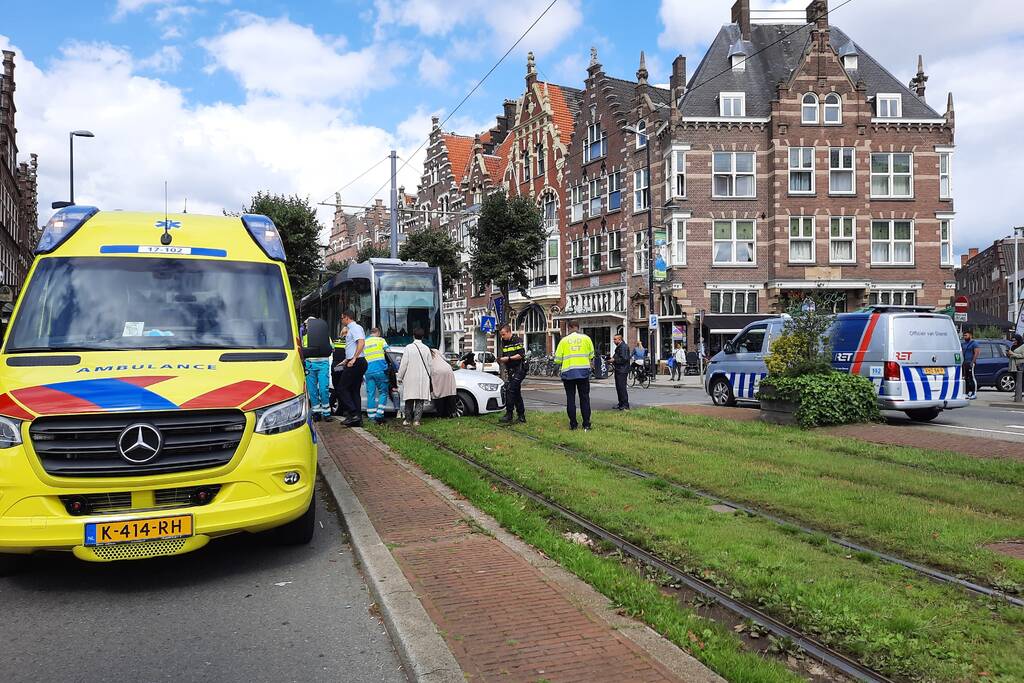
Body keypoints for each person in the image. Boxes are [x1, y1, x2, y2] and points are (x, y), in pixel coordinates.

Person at [554, 320, 595, 431]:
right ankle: (586, 423)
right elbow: (591, 355)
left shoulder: (564, 341)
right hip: (583, 373)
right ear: (578, 327)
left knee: (570, 399)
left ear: (570, 327)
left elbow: (557, 360)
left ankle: (573, 424)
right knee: (585, 398)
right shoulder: (586, 339)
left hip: (568, 373)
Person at [397, 328, 432, 426]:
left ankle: (407, 420)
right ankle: (416, 420)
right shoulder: (426, 348)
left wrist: (400, 377)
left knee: (409, 399)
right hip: (422, 378)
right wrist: (428, 376)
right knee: (420, 400)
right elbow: (430, 365)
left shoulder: (409, 347)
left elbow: (404, 364)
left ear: (413, 336)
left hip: (410, 377)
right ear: (423, 337)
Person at [337, 310, 367, 426]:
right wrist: (346, 359)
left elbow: (361, 342)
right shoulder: (352, 328)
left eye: (342, 318)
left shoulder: (355, 328)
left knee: (341, 388)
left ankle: (353, 413)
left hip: (356, 362)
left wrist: (354, 358)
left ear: (347, 318)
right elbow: (353, 346)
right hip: (354, 361)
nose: (341, 320)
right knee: (354, 390)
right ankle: (357, 419)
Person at [302, 317, 332, 421]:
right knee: (312, 390)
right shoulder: (304, 337)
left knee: (324, 389)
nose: (306, 326)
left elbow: (331, 348)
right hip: (310, 364)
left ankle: (326, 412)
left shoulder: (325, 337)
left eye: (307, 325)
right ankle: (316, 412)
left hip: (323, 363)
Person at [497, 324, 527, 424]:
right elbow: (505, 355)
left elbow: (521, 355)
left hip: (519, 369)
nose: (502, 337)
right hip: (511, 369)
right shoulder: (503, 342)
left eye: (503, 334)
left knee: (510, 390)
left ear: (509, 332)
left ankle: (509, 414)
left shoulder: (517, 340)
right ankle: (521, 416)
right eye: (501, 335)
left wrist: (508, 359)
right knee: (516, 392)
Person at [363, 327, 390, 425]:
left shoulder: (365, 342)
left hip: (368, 371)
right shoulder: (381, 340)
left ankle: (371, 417)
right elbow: (389, 352)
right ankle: (379, 415)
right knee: (383, 392)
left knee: (371, 394)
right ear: (378, 333)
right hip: (380, 370)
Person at [431, 348, 458, 417]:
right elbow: (444, 358)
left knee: (438, 392)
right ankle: (452, 413)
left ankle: (440, 414)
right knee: (449, 392)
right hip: (448, 369)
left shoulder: (426, 353)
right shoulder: (435, 350)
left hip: (436, 371)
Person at [330, 326, 347, 417]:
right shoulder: (347, 342)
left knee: (337, 388)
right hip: (342, 366)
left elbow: (332, 351)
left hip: (334, 366)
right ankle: (341, 409)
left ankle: (331, 406)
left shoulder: (335, 341)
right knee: (341, 388)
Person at [611, 333, 630, 411]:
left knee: (622, 387)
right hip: (619, 369)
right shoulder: (620, 347)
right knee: (619, 387)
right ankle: (621, 403)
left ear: (619, 339)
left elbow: (624, 359)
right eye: (614, 339)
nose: (614, 341)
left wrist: (614, 360)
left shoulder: (623, 347)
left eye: (615, 339)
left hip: (622, 369)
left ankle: (625, 405)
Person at [961, 330, 980, 399]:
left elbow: (976, 353)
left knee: (972, 378)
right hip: (964, 363)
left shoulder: (974, 343)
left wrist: (972, 362)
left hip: (971, 363)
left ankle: (974, 393)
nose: (964, 337)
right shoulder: (963, 343)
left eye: (966, 335)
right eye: (964, 335)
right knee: (966, 378)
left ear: (970, 335)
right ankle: (968, 392)